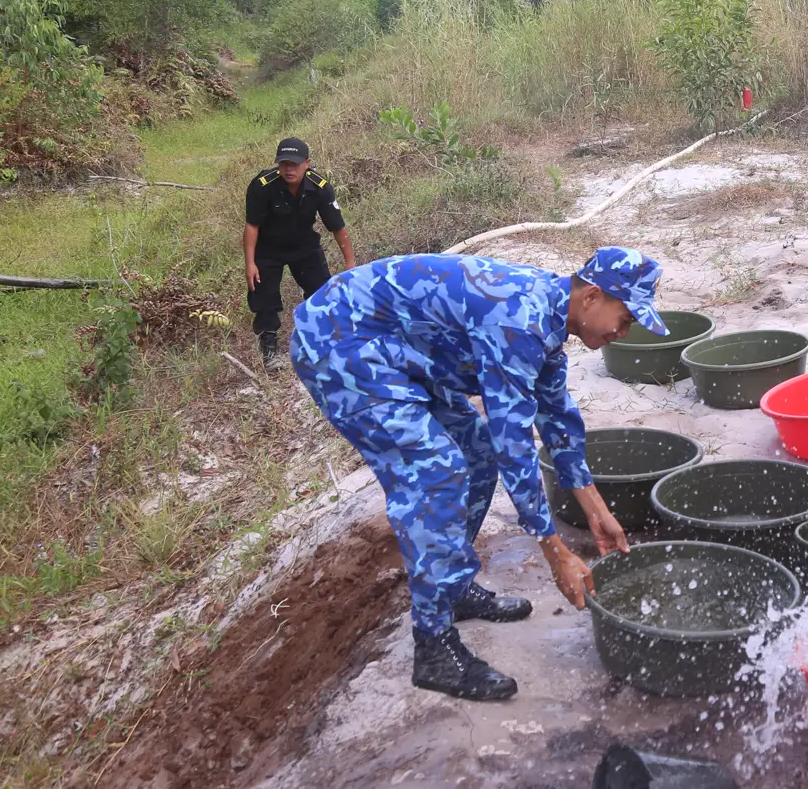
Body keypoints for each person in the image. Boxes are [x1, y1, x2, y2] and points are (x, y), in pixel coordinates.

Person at [290, 247, 664, 702]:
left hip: (397, 345)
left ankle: (453, 588)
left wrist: (597, 511)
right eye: (624, 319)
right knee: (436, 475)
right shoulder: (516, 322)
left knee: (476, 453)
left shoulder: (549, 315)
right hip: (340, 343)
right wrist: (555, 552)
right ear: (592, 296)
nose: (621, 333)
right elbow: (516, 445)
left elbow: (556, 418)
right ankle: (433, 646)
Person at [244, 137, 355, 371]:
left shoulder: (320, 187)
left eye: (294, 164)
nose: (289, 169)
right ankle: (269, 348)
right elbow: (252, 226)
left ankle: (322, 341)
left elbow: (338, 228)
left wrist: (350, 264)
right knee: (264, 296)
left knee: (321, 293)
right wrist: (250, 264)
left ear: (307, 163)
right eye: (284, 163)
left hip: (304, 246)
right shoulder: (262, 185)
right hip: (269, 248)